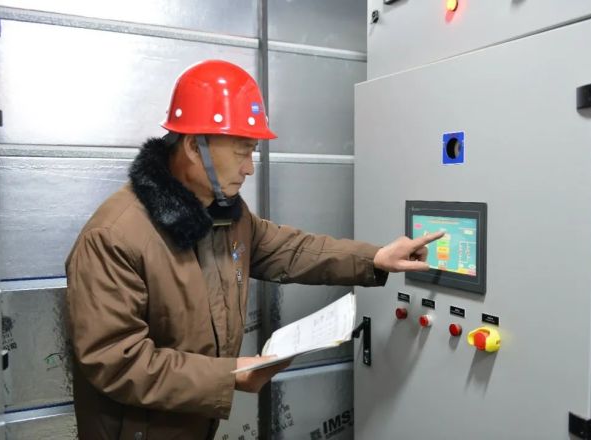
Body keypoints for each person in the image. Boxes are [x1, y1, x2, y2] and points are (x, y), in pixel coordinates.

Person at [65, 60, 444, 440]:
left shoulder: (224, 215)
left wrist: (374, 258)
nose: (249, 168)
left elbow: (292, 250)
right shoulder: (113, 237)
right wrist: (228, 376)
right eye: (241, 152)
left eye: (253, 152)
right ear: (194, 147)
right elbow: (115, 359)